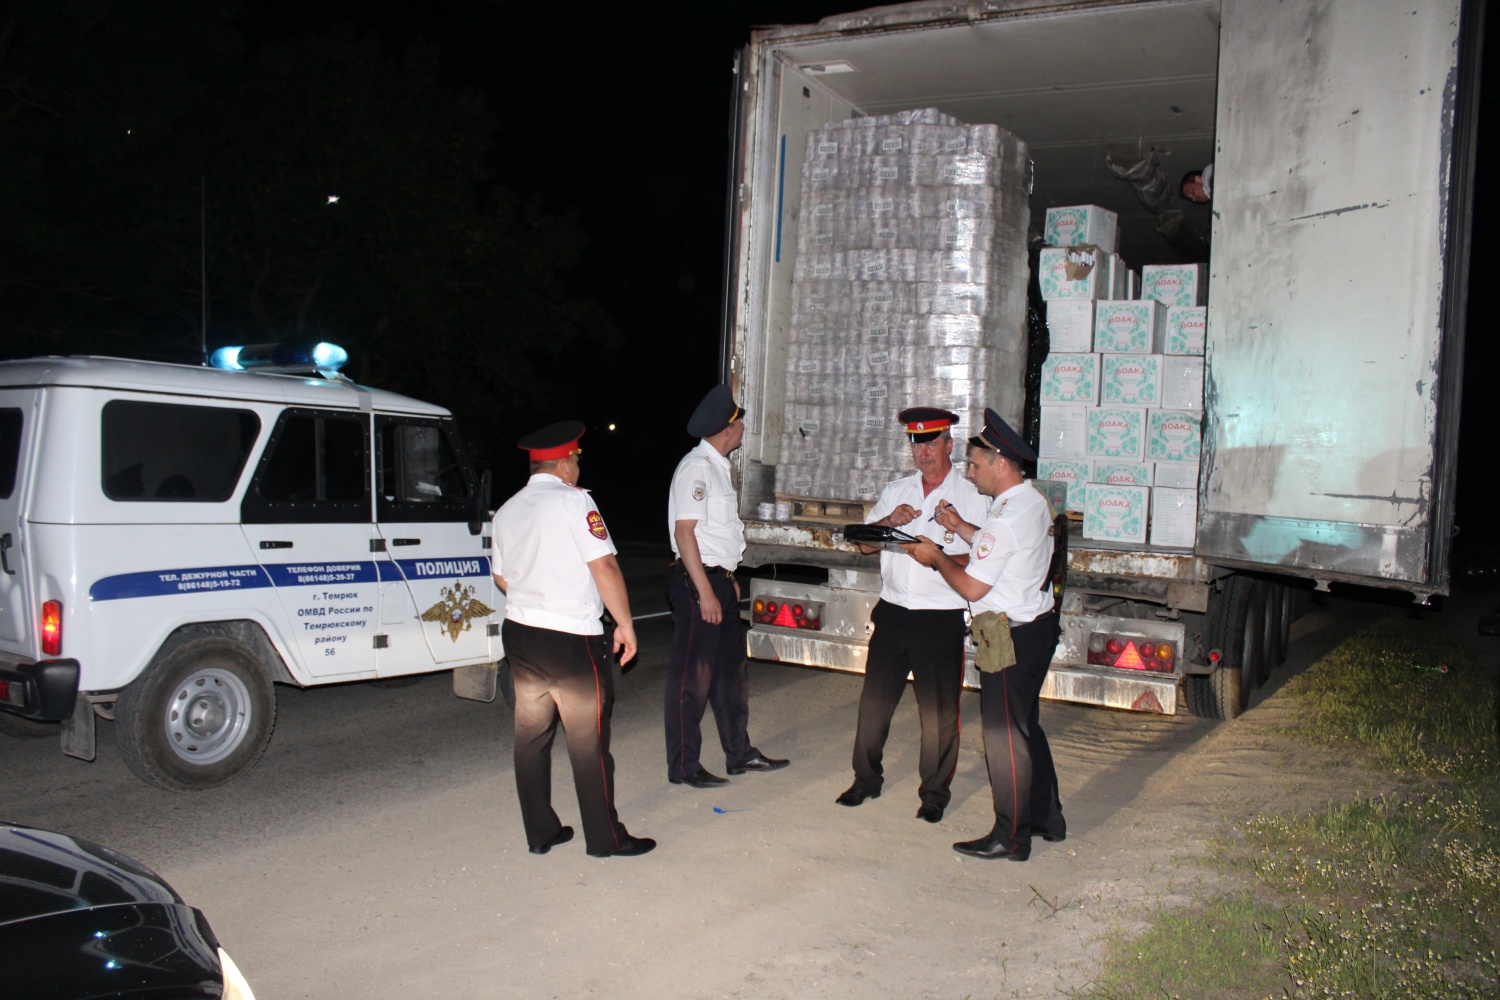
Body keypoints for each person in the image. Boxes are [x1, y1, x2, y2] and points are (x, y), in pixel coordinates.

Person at [902, 408, 1065, 861]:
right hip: (1036, 627)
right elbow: (1001, 548)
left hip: (1009, 639)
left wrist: (937, 557)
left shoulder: (1005, 517)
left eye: (974, 465)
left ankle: (1010, 837)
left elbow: (973, 586)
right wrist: (960, 529)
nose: (969, 473)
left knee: (1004, 738)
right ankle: (1046, 818)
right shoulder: (1029, 501)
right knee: (1026, 727)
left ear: (1001, 464)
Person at [491, 420, 655, 859]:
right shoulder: (575, 501)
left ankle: (541, 832)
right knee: (587, 742)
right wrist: (624, 624)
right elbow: (604, 566)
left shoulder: (506, 510)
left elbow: (502, 577)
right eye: (576, 460)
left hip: (521, 633)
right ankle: (605, 839)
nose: (577, 468)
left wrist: (536, 593)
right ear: (565, 464)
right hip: (570, 639)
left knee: (531, 737)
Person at [835, 407, 989, 823]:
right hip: (894, 611)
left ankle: (934, 793)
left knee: (938, 715)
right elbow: (864, 544)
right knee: (874, 705)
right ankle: (865, 779)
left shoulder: (972, 495)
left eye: (931, 443)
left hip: (939, 615)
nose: (924, 452)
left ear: (949, 446)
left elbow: (986, 556)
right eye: (917, 444)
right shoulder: (896, 490)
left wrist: (937, 555)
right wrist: (889, 520)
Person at [665, 384, 788, 787]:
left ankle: (739, 754)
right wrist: (704, 590)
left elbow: (718, 535)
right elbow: (685, 533)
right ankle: (684, 766)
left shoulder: (717, 467)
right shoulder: (696, 468)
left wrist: (728, 580)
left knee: (731, 677)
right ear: (727, 428)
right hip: (696, 581)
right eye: (739, 422)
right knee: (692, 679)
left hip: (718, 581)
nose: (743, 428)